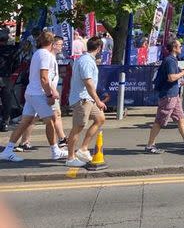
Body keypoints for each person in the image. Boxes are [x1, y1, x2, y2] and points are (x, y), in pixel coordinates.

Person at [1, 31, 66, 162]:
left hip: (33, 92)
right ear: (51, 42)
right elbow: (44, 77)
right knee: (51, 122)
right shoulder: (45, 55)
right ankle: (55, 151)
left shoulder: (38, 53)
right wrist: (49, 94)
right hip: (39, 93)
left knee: (25, 122)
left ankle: (8, 150)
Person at [145, 39, 184, 153]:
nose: (181, 48)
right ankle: (150, 145)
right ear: (174, 48)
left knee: (181, 118)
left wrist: (181, 80)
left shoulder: (172, 60)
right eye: (180, 46)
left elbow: (173, 78)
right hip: (168, 96)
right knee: (160, 120)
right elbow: (171, 77)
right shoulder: (170, 60)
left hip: (174, 95)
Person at [65, 36, 107, 167]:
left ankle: (83, 149)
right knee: (77, 128)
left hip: (87, 98)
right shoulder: (87, 61)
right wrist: (98, 100)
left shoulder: (86, 59)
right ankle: (70, 158)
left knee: (100, 119)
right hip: (82, 99)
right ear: (99, 48)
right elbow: (88, 83)